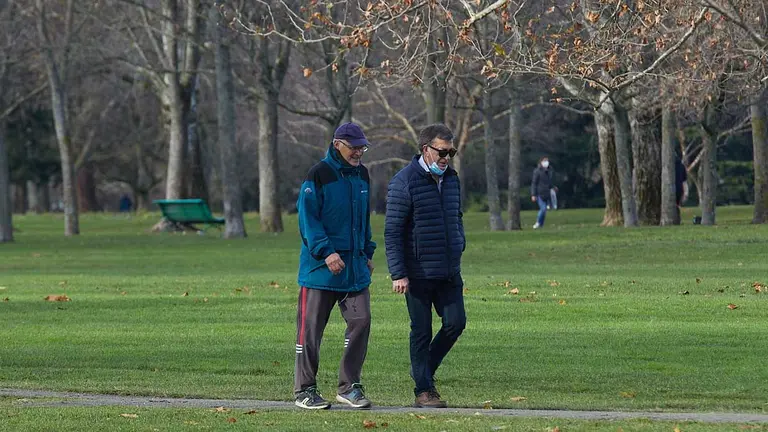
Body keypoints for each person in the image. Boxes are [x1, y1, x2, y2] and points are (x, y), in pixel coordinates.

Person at [294, 122, 376, 410]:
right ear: (337, 144)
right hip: (320, 271)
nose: (358, 153)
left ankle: (348, 385)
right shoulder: (319, 174)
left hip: (354, 269)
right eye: (354, 147)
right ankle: (305, 390)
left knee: (361, 321)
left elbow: (363, 220)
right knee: (310, 332)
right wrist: (326, 252)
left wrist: (367, 251)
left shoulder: (362, 175)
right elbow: (308, 219)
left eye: (362, 147)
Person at [385, 123, 466, 408]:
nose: (446, 157)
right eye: (442, 152)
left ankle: (422, 370)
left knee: (456, 323)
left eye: (450, 152)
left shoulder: (452, 179)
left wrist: (459, 243)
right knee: (421, 330)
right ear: (425, 150)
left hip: (448, 271)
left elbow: (456, 217)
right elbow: (392, 232)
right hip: (417, 273)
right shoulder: (404, 182)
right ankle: (424, 390)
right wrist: (398, 273)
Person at [531, 157, 556, 229]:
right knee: (543, 209)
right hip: (540, 193)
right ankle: (538, 222)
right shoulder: (537, 171)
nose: (546, 162)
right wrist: (533, 194)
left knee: (545, 210)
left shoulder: (550, 171)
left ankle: (541, 225)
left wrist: (553, 187)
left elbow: (550, 182)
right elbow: (534, 183)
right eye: (544, 161)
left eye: (547, 161)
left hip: (547, 193)